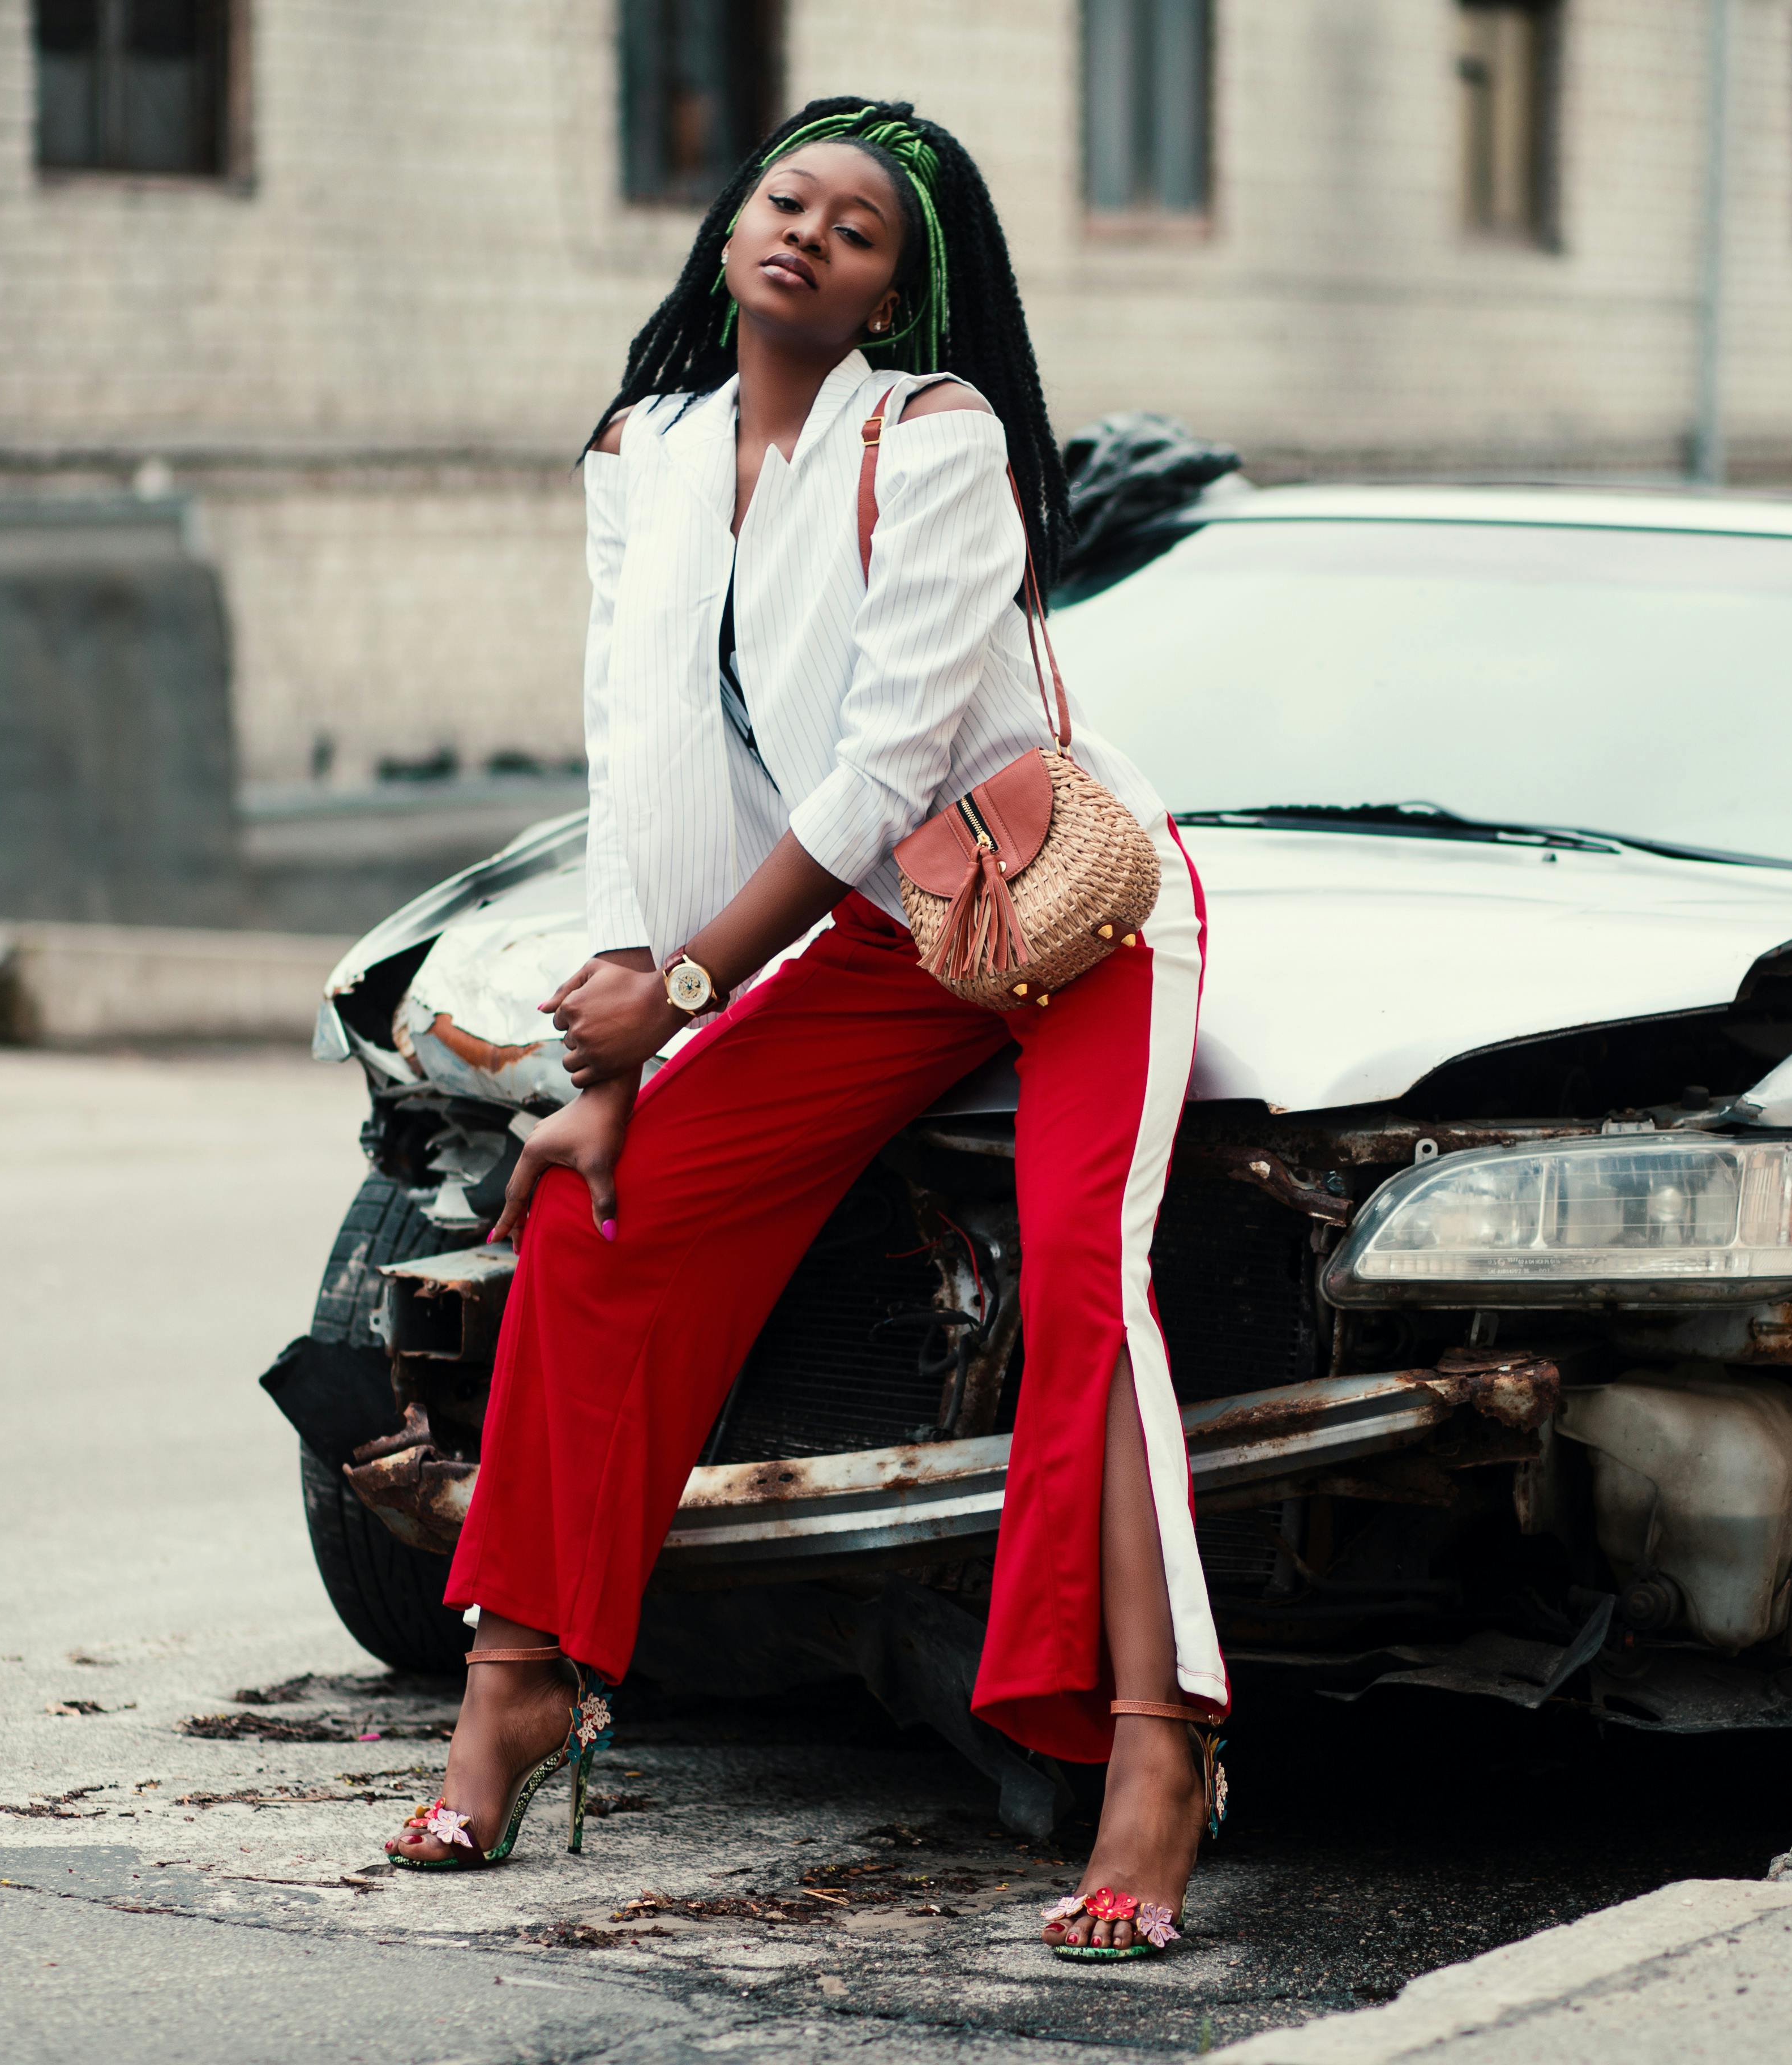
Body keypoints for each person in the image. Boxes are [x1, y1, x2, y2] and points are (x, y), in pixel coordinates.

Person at [379, 97, 1223, 1961]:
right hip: (863, 940)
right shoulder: (644, 450)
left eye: (860, 232)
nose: (809, 238)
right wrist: (615, 1068)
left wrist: (677, 991)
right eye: (788, 200)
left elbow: (890, 768)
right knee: (607, 1214)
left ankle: (1159, 1754)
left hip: (1051, 907)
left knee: (1091, 1278)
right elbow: (647, 765)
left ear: (898, 293)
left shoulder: (936, 437)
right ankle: (518, 1679)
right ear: (731, 224)